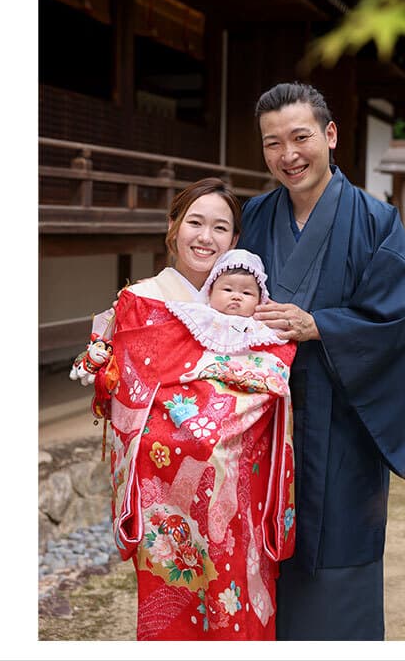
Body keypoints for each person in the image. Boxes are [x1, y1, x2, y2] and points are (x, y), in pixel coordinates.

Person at [238, 82, 405, 641]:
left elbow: (400, 320)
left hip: (343, 421)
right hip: (265, 423)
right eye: (273, 144)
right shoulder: (254, 215)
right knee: (259, 555)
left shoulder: (375, 221)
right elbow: (221, 299)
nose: (288, 155)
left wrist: (321, 324)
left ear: (330, 135)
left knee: (339, 553)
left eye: (300, 138)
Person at [72, 184, 298, 640]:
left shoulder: (247, 305)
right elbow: (127, 387)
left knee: (238, 594)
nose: (206, 237)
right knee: (171, 601)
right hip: (165, 488)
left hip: (236, 488)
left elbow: (270, 375)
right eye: (195, 222)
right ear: (173, 228)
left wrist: (218, 422)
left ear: (234, 241)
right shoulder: (142, 300)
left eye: (220, 227)